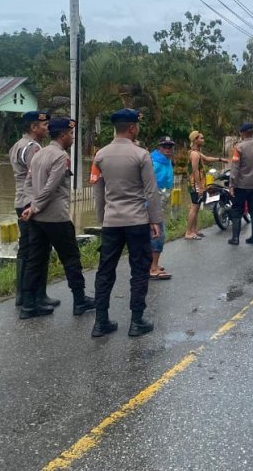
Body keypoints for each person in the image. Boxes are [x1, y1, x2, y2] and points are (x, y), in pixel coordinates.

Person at [90, 109, 163, 338]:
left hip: (111, 222)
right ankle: (136, 320)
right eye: (137, 126)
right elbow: (151, 191)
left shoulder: (100, 155)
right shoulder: (141, 155)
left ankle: (101, 322)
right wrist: (155, 220)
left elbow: (98, 191)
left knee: (105, 271)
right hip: (136, 221)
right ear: (132, 128)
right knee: (139, 269)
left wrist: (102, 218)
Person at [20, 117, 95, 319]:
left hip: (37, 219)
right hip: (56, 218)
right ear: (63, 135)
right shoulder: (60, 157)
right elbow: (51, 188)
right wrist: (34, 207)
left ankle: (28, 305)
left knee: (35, 260)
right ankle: (79, 300)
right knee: (71, 259)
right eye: (70, 134)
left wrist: (30, 206)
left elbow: (27, 185)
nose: (72, 137)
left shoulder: (39, 154)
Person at [8, 109, 52, 308]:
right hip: (30, 202)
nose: (47, 128)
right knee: (38, 250)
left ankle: (23, 295)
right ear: (34, 127)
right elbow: (37, 177)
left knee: (25, 248)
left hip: (20, 200)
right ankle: (36, 295)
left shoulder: (18, 145)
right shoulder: (33, 148)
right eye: (44, 125)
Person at [228, 123, 253, 246]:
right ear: (252, 132)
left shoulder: (239, 147)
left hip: (240, 186)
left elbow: (235, 168)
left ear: (243, 133)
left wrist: (231, 184)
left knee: (237, 210)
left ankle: (235, 238)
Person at [184, 131, 228, 240]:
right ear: (195, 140)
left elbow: (207, 159)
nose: (203, 140)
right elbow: (195, 171)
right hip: (196, 185)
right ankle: (188, 232)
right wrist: (200, 187)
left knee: (197, 207)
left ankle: (194, 230)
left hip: (197, 184)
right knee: (194, 207)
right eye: (201, 138)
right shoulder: (194, 154)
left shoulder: (196, 152)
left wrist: (220, 159)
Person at [149, 136, 176, 279]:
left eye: (170, 147)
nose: (168, 149)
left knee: (154, 234)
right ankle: (153, 268)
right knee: (158, 234)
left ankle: (152, 264)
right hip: (151, 203)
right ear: (159, 148)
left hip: (161, 202)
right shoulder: (152, 161)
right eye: (165, 146)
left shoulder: (167, 162)